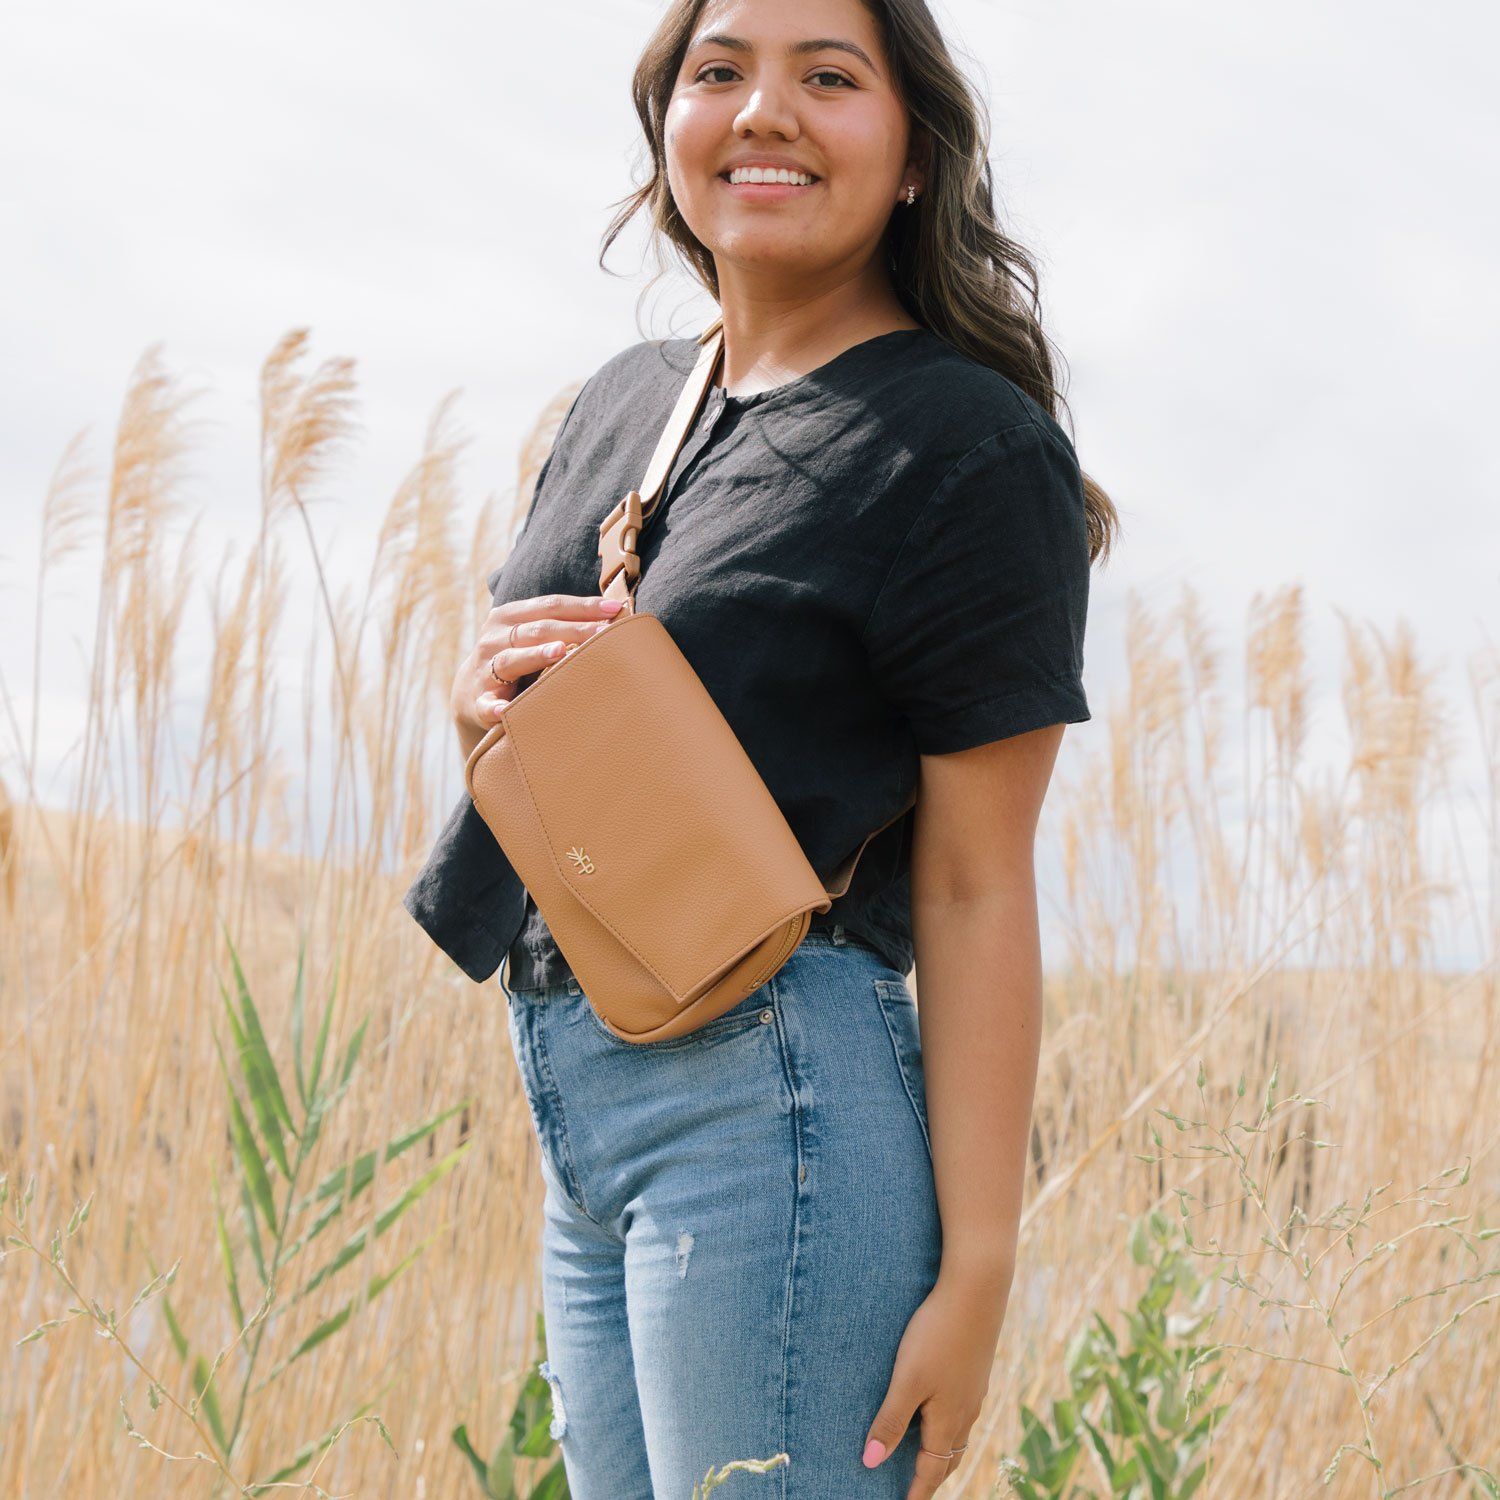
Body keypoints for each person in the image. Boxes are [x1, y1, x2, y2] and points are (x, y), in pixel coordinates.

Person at [404, 0, 1119, 1494]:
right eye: (719, 72)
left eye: (829, 78)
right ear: (670, 132)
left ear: (915, 152)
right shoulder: (624, 406)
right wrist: (486, 706)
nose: (764, 111)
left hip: (771, 1104)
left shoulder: (966, 446)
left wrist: (978, 1265)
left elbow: (981, 884)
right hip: (578, 1107)